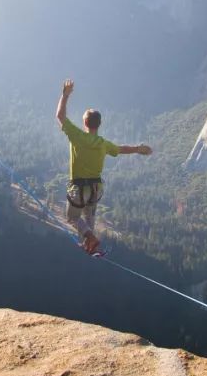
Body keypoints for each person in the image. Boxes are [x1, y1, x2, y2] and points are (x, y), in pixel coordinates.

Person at [55, 78, 152, 254]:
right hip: (96, 188)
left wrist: (65, 95)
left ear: (85, 123)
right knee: (89, 216)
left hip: (79, 188)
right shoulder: (103, 144)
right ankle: (90, 244)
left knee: (72, 218)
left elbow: (60, 116)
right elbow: (121, 149)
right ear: (98, 125)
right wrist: (138, 149)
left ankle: (89, 238)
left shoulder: (77, 136)